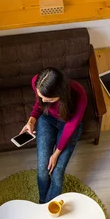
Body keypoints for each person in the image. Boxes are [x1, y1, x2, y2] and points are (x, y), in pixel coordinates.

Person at [20, 67, 87, 204]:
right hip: (47, 119)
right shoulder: (37, 82)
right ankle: (43, 202)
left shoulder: (79, 94)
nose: (43, 101)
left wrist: (56, 154)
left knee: (57, 171)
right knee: (43, 169)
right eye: (41, 96)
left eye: (48, 99)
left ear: (60, 95)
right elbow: (39, 105)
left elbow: (71, 127)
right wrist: (31, 121)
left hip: (68, 124)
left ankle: (50, 205)